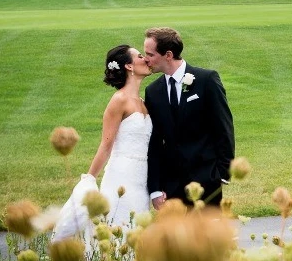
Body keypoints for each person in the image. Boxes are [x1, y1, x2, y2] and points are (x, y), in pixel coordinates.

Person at [51, 45, 153, 241]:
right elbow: (106, 146)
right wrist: (89, 179)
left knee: (139, 233)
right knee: (121, 232)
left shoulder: (142, 101)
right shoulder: (119, 100)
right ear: (129, 66)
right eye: (140, 56)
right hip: (121, 176)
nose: (145, 59)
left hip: (142, 178)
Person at [143, 27, 234, 208]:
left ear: (168, 55)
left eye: (150, 54)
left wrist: (223, 173)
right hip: (171, 186)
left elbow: (223, 127)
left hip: (206, 180)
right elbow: (154, 143)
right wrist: (155, 188)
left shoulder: (206, 80)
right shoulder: (152, 91)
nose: (146, 59)